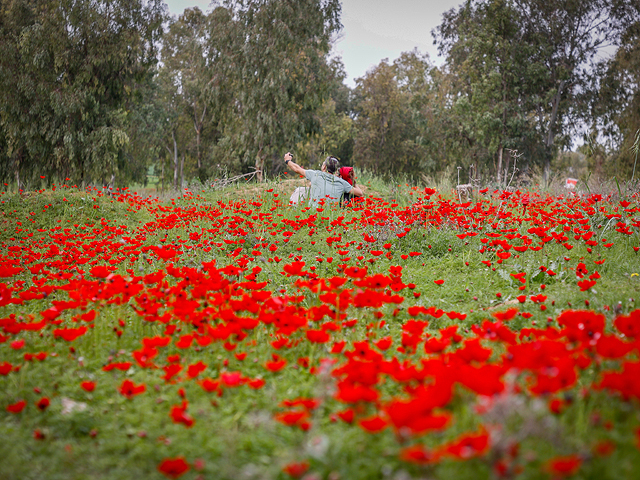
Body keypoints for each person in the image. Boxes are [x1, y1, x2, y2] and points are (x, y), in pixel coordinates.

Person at [284, 152, 363, 207]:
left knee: (300, 190)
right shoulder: (341, 183)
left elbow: (296, 169)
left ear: (324, 167)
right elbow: (359, 193)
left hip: (313, 214)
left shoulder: (316, 175)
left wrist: (288, 160)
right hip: (331, 217)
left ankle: (292, 208)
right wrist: (352, 180)